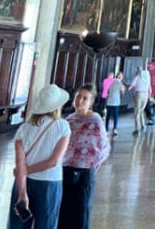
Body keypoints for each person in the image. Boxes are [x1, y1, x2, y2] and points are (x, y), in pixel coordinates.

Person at [9, 83, 71, 229]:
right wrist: (24, 171)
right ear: (57, 106)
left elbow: (20, 162)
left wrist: (22, 186)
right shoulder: (63, 126)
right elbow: (53, 161)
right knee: (47, 224)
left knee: (18, 224)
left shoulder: (23, 129)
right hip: (50, 183)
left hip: (23, 183)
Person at [58, 83, 110, 229]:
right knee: (64, 210)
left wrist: (92, 165)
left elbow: (104, 148)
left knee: (81, 212)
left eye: (85, 98)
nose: (80, 101)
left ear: (91, 102)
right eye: (78, 97)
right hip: (66, 169)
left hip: (85, 172)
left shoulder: (96, 120)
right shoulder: (69, 120)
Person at [128, 62, 152, 135]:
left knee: (137, 112)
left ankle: (137, 129)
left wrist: (129, 87)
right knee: (141, 110)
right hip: (146, 94)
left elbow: (131, 85)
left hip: (139, 94)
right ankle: (143, 125)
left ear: (138, 71)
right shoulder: (147, 75)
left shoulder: (138, 76)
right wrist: (149, 96)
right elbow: (149, 87)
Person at [104, 70, 125, 136]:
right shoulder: (120, 83)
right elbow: (122, 93)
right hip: (116, 102)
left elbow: (106, 91)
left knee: (108, 116)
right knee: (115, 116)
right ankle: (114, 129)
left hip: (109, 102)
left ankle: (106, 129)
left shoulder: (110, 81)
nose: (121, 77)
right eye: (120, 76)